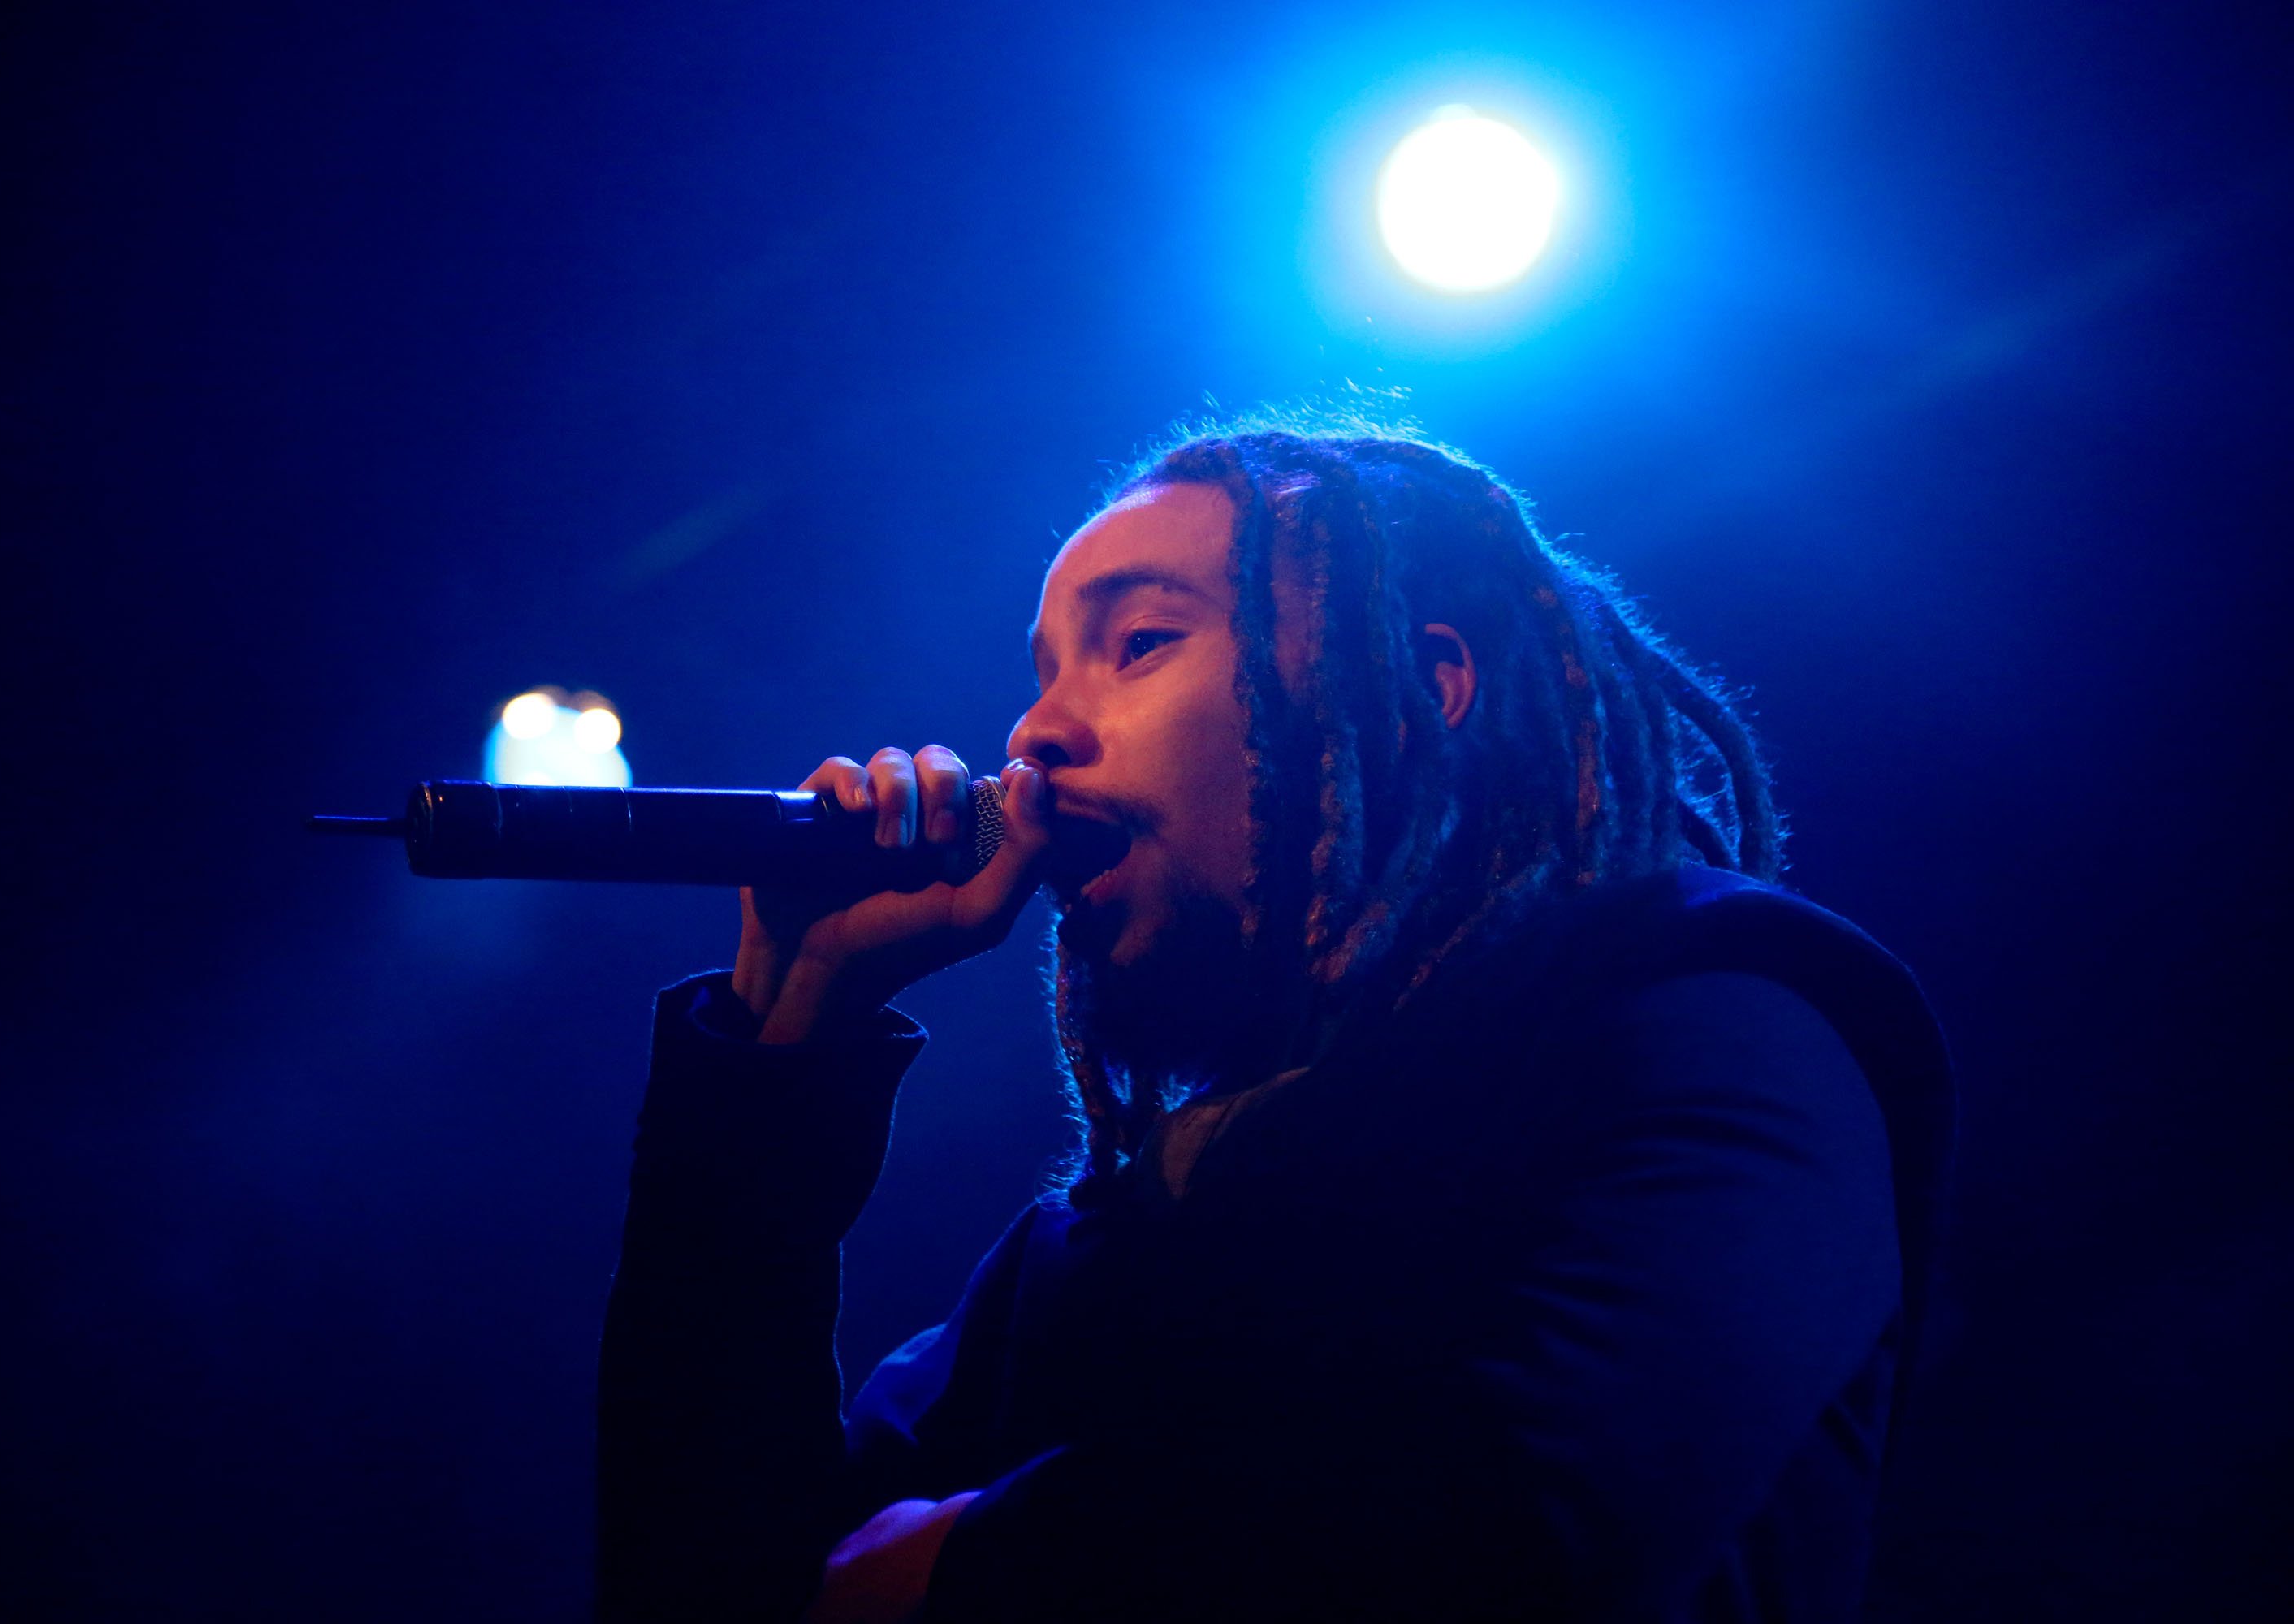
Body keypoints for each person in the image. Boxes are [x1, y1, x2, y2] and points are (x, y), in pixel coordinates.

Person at [593, 421, 1954, 1622]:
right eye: (1041, 673)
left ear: (1425, 686)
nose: (1032, 738)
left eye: (1137, 643)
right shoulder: (1092, 1250)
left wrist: (966, 1568)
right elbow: (705, 1596)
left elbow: (1530, 1521)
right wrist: (789, 1040)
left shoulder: (1714, 1010)